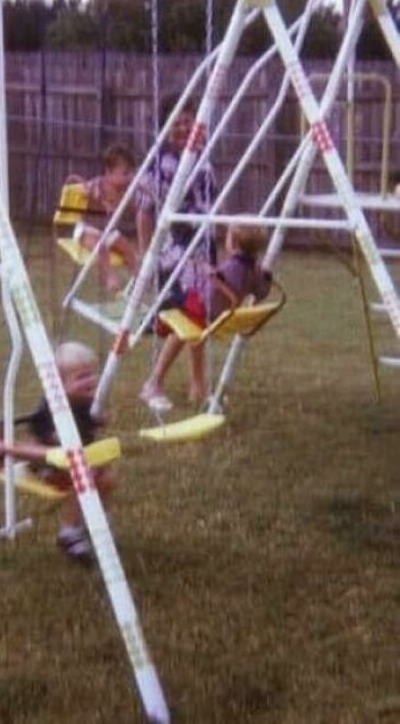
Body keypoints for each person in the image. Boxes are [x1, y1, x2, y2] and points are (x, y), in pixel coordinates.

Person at [137, 94, 217, 409]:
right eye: (178, 122)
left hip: (202, 244)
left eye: (189, 121)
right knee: (191, 311)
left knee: (200, 311)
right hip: (176, 247)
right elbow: (144, 210)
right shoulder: (161, 160)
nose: (184, 128)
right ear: (166, 126)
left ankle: (198, 384)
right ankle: (153, 381)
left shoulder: (201, 154)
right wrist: (147, 255)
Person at [139, 222, 272, 411]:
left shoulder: (233, 267)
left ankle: (156, 373)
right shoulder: (255, 269)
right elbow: (260, 291)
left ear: (232, 244)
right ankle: (195, 387)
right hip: (218, 315)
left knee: (175, 303)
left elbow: (217, 283)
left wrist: (207, 271)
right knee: (184, 323)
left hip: (204, 311)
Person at [21, 341, 116, 565]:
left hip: (81, 460)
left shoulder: (86, 402)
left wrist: (100, 418)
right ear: (60, 384)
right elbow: (38, 432)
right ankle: (69, 531)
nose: (90, 381)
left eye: (92, 375)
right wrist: (54, 439)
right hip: (48, 464)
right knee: (85, 480)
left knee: (108, 480)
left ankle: (93, 519)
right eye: (82, 377)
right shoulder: (52, 406)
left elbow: (96, 422)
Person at [71, 143, 141, 292]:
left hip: (108, 232)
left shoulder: (125, 191)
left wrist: (136, 204)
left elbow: (133, 208)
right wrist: (87, 192)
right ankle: (110, 276)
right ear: (109, 172)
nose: (129, 177)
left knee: (127, 249)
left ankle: (139, 279)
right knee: (100, 247)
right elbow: (85, 189)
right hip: (87, 230)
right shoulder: (98, 184)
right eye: (125, 173)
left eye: (131, 173)